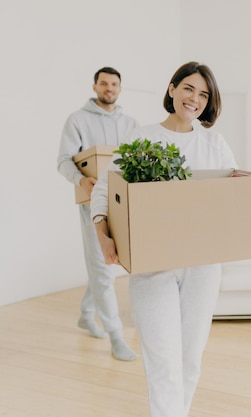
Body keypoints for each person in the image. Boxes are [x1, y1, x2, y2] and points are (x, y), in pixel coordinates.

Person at [90, 61, 251, 417]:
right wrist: (103, 233)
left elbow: (239, 199)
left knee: (189, 361)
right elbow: (105, 189)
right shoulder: (140, 138)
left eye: (204, 94)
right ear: (172, 89)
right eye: (188, 88)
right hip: (152, 267)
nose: (195, 99)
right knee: (163, 362)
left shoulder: (215, 144)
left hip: (203, 269)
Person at [57, 66, 139, 361]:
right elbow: (64, 160)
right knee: (103, 268)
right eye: (104, 83)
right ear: (95, 87)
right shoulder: (77, 120)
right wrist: (81, 180)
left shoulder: (131, 123)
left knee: (106, 265)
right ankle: (116, 336)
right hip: (92, 203)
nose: (109, 88)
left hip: (123, 203)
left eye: (114, 84)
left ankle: (85, 314)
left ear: (120, 88)